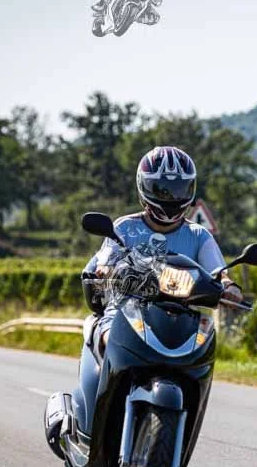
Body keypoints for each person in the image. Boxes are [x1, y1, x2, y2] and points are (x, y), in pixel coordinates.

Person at [82, 146, 243, 354]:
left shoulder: (198, 235)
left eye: (179, 189)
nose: (171, 197)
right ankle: (106, 374)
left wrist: (230, 288)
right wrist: (106, 270)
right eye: (162, 189)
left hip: (181, 320)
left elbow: (219, 274)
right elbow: (105, 261)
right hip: (126, 313)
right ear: (144, 186)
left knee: (204, 345)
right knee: (109, 335)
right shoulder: (124, 228)